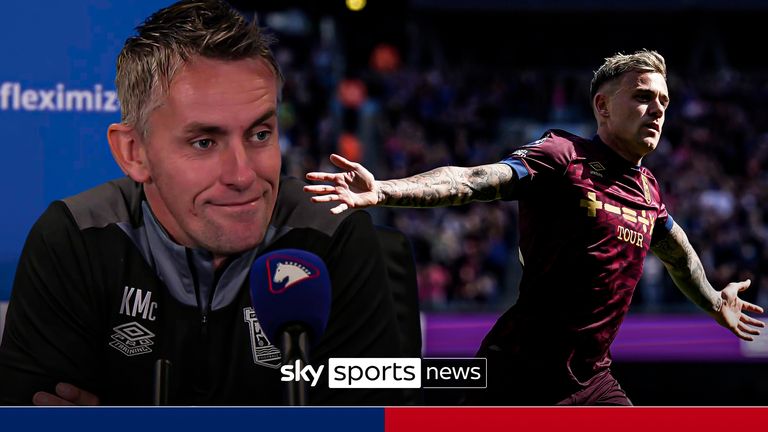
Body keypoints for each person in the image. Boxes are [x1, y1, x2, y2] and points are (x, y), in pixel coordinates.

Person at [0, 0, 405, 406]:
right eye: (204, 142)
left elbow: (377, 417)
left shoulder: (334, 233)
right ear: (134, 152)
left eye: (260, 134)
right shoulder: (74, 238)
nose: (243, 175)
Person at [305, 49, 765, 405]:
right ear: (602, 106)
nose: (657, 110)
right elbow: (471, 180)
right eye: (642, 96)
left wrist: (711, 301)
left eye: (664, 100)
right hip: (517, 374)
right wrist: (385, 191)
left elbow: (678, 251)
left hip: (593, 382)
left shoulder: (648, 190)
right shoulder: (562, 155)